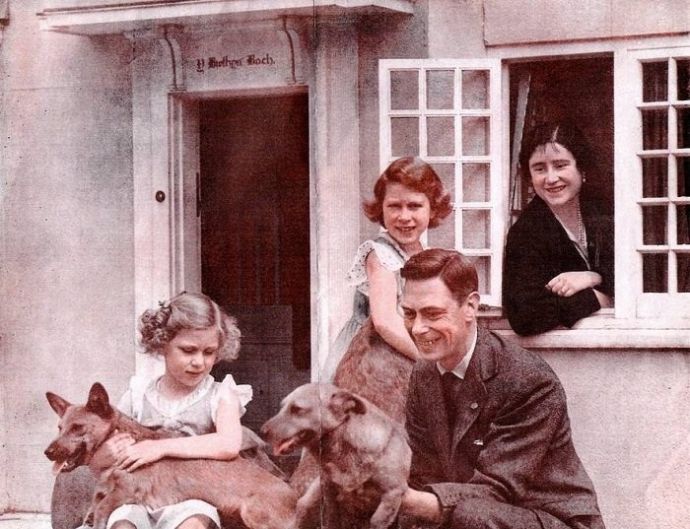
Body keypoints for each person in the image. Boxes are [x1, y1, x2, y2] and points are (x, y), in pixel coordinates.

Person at [398, 248, 606, 529]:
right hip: (478, 512)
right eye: (409, 314)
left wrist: (403, 500)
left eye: (432, 314)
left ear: (470, 307)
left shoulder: (528, 380)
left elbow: (497, 488)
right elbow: (424, 476)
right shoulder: (423, 374)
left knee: (470, 516)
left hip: (551, 519)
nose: (417, 329)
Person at [102, 291, 252, 529]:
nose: (199, 362)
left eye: (209, 352)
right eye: (188, 350)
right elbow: (107, 454)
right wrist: (111, 450)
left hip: (192, 497)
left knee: (193, 523)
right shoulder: (138, 395)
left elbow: (228, 444)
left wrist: (159, 447)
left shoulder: (221, 395)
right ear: (162, 344)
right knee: (123, 523)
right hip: (138, 495)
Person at [320, 156, 452, 383]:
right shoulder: (380, 256)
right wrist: (427, 361)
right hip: (371, 356)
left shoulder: (425, 255)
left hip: (404, 348)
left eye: (414, 206)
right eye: (394, 206)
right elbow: (385, 321)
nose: (404, 216)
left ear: (432, 209)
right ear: (381, 209)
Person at [503, 121, 614, 336]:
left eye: (561, 165)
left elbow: (641, 278)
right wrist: (596, 298)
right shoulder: (526, 231)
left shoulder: (607, 211)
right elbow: (524, 316)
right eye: (539, 169)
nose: (551, 178)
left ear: (582, 168)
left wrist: (592, 277)